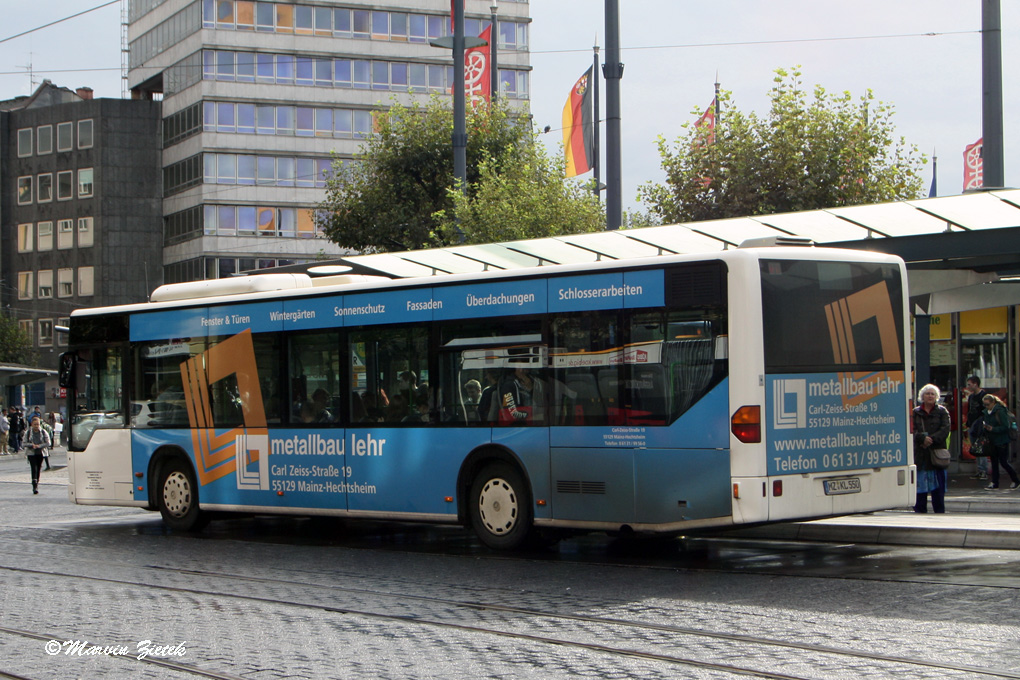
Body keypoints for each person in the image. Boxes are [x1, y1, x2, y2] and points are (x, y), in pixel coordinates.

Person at [912, 384, 950, 513]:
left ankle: (939, 512)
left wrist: (931, 439)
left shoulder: (942, 411)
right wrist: (922, 438)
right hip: (920, 454)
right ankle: (919, 511)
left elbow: (945, 429)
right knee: (919, 488)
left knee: (938, 488)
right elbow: (911, 430)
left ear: (936, 397)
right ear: (922, 396)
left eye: (932, 394)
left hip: (936, 454)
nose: (930, 396)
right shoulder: (915, 412)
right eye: (927, 393)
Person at [980, 394, 1020, 490]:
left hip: (1001, 440)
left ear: (993, 402)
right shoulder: (986, 412)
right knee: (994, 462)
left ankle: (1016, 480)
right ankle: (995, 482)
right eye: (984, 404)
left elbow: (1005, 426)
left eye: (988, 404)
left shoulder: (1000, 411)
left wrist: (993, 429)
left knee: (1003, 462)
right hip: (992, 440)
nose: (986, 406)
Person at [964, 376, 989, 480]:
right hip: (973, 425)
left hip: (980, 425)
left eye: (969, 384)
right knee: (976, 447)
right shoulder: (971, 397)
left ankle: (983, 470)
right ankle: (980, 470)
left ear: (975, 384)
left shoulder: (984, 396)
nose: (968, 386)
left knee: (980, 447)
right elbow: (970, 410)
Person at [24, 417, 51, 495]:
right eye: (35, 424)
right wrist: (31, 445)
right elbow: (24, 443)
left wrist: (39, 446)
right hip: (31, 453)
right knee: (34, 468)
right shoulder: (28, 432)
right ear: (31, 424)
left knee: (38, 468)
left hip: (40, 453)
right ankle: (34, 486)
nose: (36, 426)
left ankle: (37, 482)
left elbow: (48, 443)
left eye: (38, 424)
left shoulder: (43, 432)